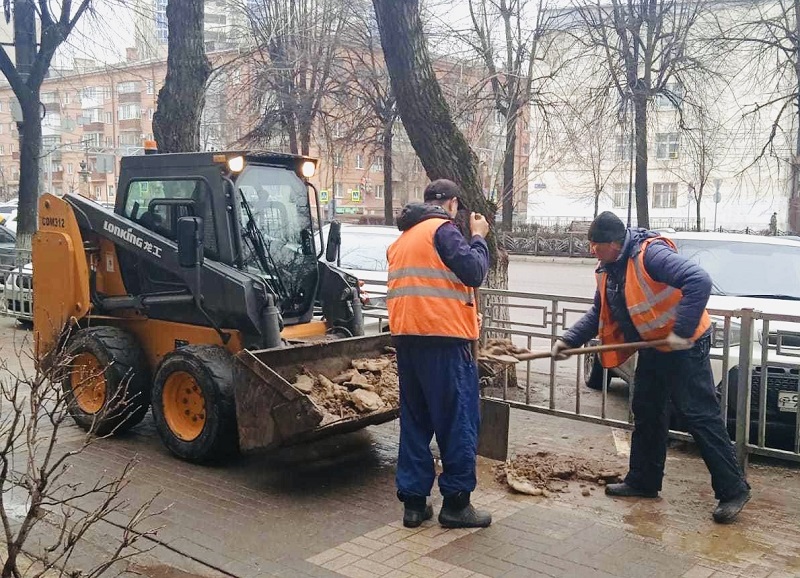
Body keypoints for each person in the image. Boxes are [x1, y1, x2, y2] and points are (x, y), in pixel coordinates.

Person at [551, 211, 751, 524]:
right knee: (647, 408)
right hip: (656, 345)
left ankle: (733, 490)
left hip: (686, 343)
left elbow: (699, 281)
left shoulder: (651, 254)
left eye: (596, 245)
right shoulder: (608, 270)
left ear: (613, 244)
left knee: (698, 414)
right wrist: (568, 340)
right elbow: (598, 313)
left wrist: (680, 332)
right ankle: (643, 481)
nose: (592, 251)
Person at [387, 178, 492, 529]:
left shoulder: (402, 239)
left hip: (408, 341)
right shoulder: (442, 230)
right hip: (444, 344)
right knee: (457, 422)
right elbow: (474, 271)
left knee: (415, 424)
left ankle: (414, 505)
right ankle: (456, 505)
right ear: (452, 204)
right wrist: (478, 236)